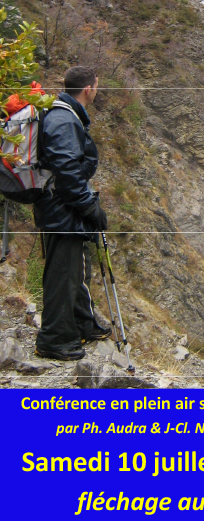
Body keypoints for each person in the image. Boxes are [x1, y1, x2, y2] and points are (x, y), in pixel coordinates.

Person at [34, 66, 111, 361]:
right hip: (61, 209)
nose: (97, 91)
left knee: (76, 269)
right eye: (96, 86)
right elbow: (67, 171)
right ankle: (55, 340)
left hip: (63, 208)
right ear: (89, 89)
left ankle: (82, 323)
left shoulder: (65, 114)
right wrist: (90, 207)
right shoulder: (64, 119)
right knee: (63, 274)